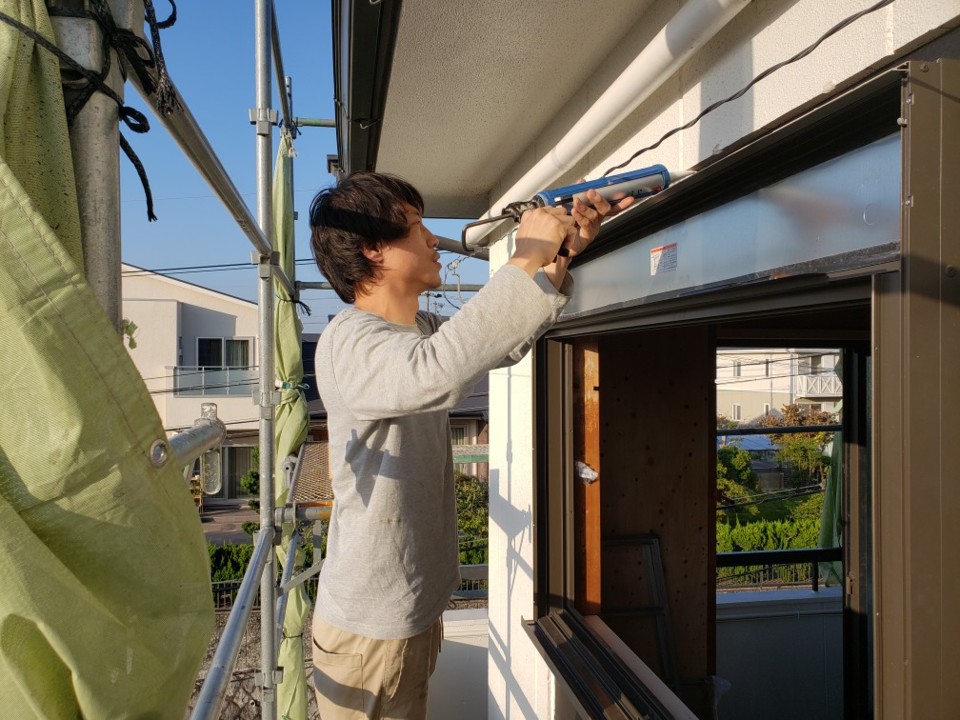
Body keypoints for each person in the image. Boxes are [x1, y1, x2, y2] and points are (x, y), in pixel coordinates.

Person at [307, 171, 628, 719]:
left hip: (406, 615)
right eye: (415, 227)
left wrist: (559, 259)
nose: (433, 239)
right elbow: (439, 372)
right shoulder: (350, 340)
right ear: (371, 249)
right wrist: (524, 256)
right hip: (370, 632)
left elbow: (490, 347)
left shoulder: (416, 329)